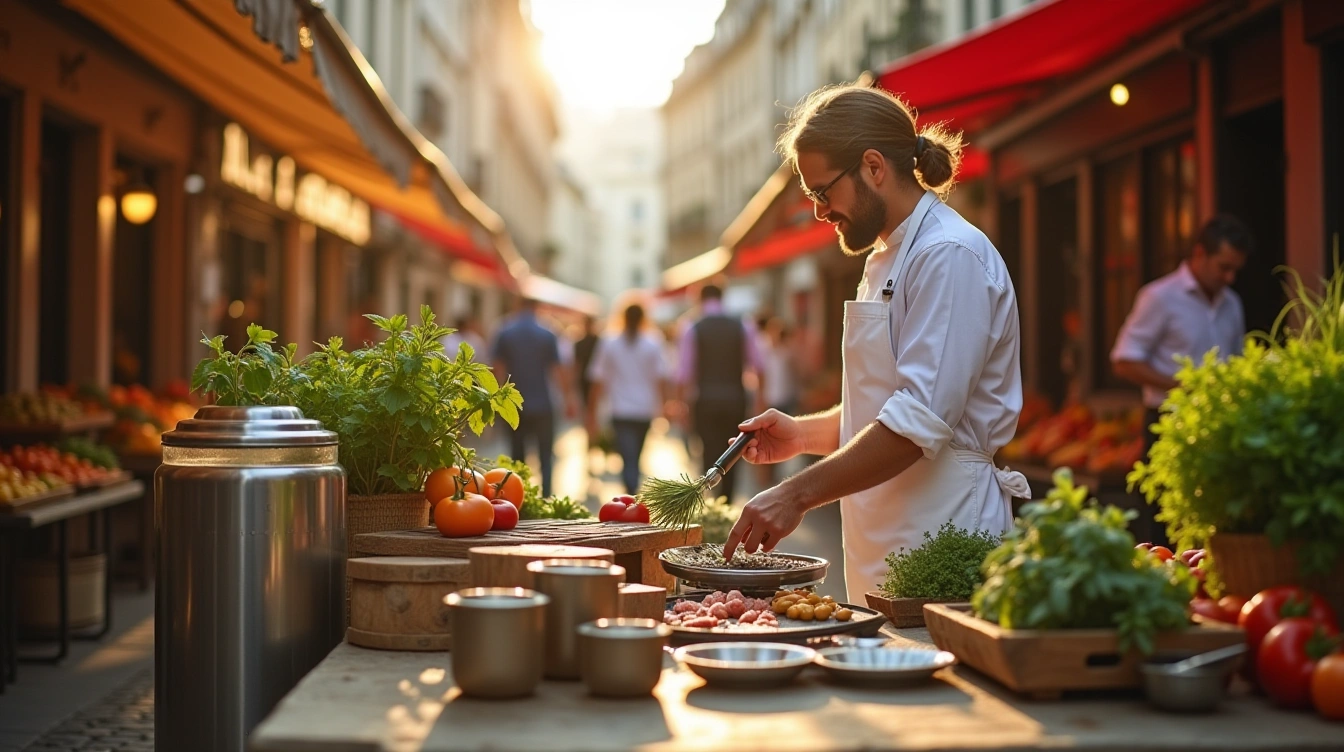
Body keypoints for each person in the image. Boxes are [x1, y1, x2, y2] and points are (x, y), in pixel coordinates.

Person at [721, 83, 1030, 602]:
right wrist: (802, 435)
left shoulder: (949, 254)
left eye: (823, 192)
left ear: (873, 166)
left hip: (945, 529)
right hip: (886, 537)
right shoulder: (885, 256)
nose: (820, 212)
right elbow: (885, 402)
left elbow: (917, 422)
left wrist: (796, 494)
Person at [1110, 214, 1253, 542]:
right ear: (1200, 254)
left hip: (1217, 426)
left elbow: (1238, 361)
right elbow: (1124, 360)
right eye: (1223, 267)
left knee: (1213, 520)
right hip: (1168, 422)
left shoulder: (1232, 302)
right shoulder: (1160, 297)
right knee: (1165, 522)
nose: (1230, 277)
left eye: (1236, 270)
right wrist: (1183, 387)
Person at [676, 283, 766, 504]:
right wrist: (760, 401)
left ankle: (711, 502)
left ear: (699, 299)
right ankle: (726, 501)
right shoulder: (742, 325)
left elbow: (683, 374)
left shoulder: (692, 327)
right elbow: (759, 366)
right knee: (734, 452)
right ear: (722, 297)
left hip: (704, 400)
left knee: (708, 451)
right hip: (736, 398)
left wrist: (681, 406)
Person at [492, 297, 576, 497]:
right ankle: (546, 497)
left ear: (518, 305)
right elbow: (558, 370)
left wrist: (497, 399)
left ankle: (519, 497)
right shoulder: (548, 333)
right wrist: (569, 398)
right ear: (537, 308)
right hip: (543, 404)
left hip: (514, 405)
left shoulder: (504, 331)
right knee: (545, 455)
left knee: (517, 456)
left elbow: (497, 369)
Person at [585, 302, 669, 494]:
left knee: (628, 455)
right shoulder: (653, 343)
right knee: (635, 455)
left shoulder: (609, 342)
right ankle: (632, 490)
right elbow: (661, 378)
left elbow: (598, 379)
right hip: (644, 409)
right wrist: (664, 406)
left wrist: (591, 411)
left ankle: (630, 492)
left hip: (619, 409)